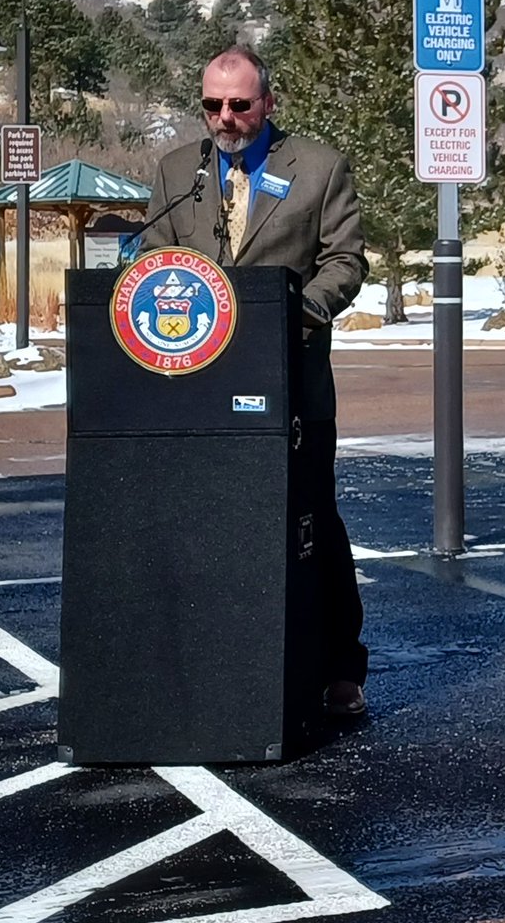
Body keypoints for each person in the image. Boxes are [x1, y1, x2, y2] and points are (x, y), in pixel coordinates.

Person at [141, 45, 369, 715]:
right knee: (207, 523)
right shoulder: (176, 171)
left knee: (312, 521)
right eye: (213, 104)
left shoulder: (317, 168)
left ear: (268, 103)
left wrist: (305, 308)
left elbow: (345, 260)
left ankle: (338, 666)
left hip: (291, 379)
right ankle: (215, 661)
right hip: (196, 382)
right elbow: (157, 257)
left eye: (240, 105)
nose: (226, 118)